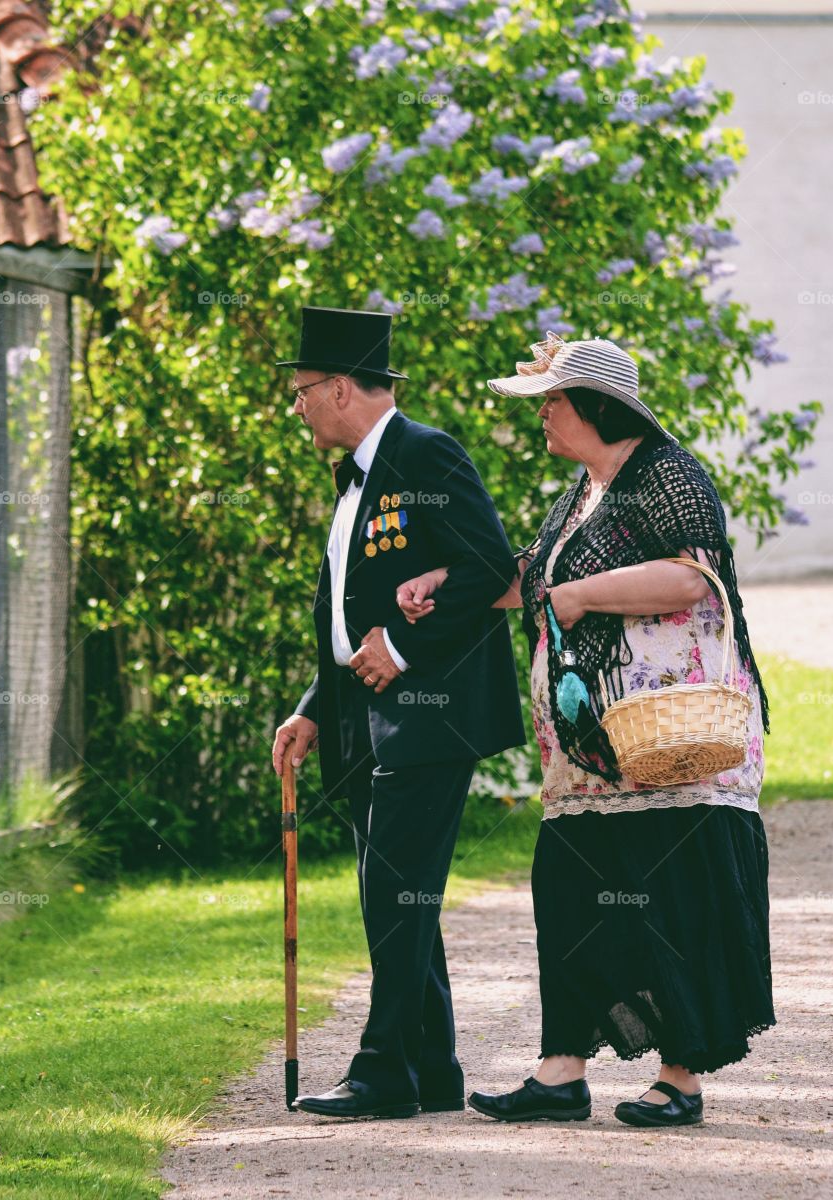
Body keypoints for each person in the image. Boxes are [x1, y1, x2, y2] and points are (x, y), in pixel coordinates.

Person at [397, 334, 776, 1128]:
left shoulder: (667, 474)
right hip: (594, 757)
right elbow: (533, 576)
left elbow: (692, 577)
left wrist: (580, 594)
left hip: (673, 745)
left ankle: (681, 1079)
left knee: (674, 900)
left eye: (552, 401)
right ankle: (560, 1072)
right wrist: (446, 582)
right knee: (568, 894)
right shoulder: (584, 492)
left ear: (598, 407)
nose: (542, 414)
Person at [271, 306, 526, 1119]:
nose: (298, 405)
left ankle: (382, 1072)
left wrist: (406, 652)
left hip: (428, 715)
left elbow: (489, 567)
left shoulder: (427, 453)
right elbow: (350, 610)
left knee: (394, 894)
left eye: (304, 391)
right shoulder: (353, 477)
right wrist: (316, 703)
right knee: (402, 894)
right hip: (363, 719)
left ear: (341, 387)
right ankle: (431, 1065)